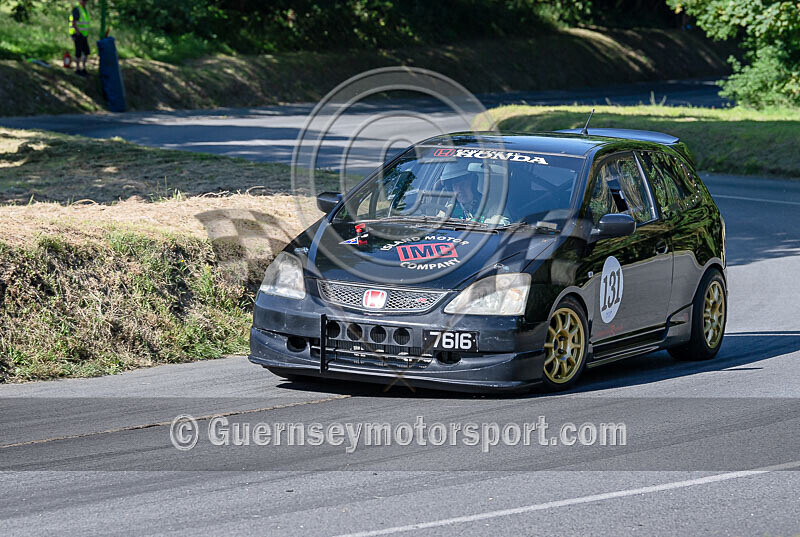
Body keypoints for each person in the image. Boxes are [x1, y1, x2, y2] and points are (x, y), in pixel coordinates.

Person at [69, 0, 91, 77]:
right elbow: (74, 22)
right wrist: (78, 33)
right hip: (78, 34)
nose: (85, 2)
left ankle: (83, 68)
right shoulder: (77, 9)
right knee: (78, 51)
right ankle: (77, 69)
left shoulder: (84, 10)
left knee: (86, 51)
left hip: (84, 34)